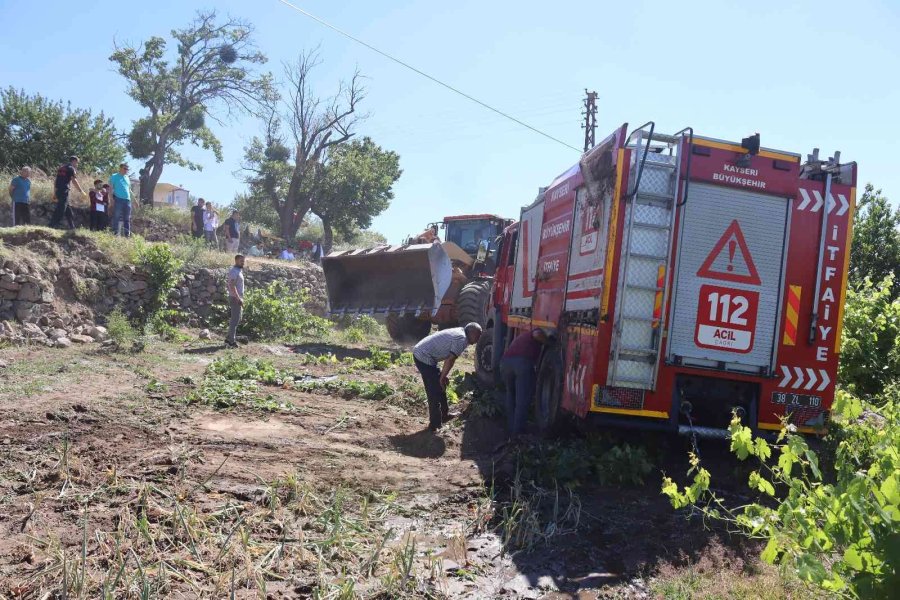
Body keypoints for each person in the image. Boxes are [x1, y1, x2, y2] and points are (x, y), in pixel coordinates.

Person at [413, 323, 482, 431]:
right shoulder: (462, 339)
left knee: (441, 385)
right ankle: (434, 425)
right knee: (434, 390)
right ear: (472, 333)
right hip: (423, 356)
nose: (478, 339)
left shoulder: (461, 332)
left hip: (424, 354)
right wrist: (442, 376)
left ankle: (444, 415)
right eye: (478, 335)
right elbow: (450, 360)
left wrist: (442, 376)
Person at [499, 328, 548, 438]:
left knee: (511, 396)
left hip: (505, 364)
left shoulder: (522, 337)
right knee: (522, 399)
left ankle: (511, 429)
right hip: (522, 363)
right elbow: (537, 333)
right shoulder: (535, 332)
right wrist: (548, 342)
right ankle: (518, 433)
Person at [49, 156, 85, 229]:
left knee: (67, 209)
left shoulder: (61, 168)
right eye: (77, 163)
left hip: (59, 190)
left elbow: (56, 181)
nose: (77, 165)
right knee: (61, 208)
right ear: (74, 161)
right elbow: (74, 181)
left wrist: (55, 192)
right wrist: (81, 191)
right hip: (64, 190)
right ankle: (52, 226)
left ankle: (72, 227)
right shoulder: (71, 168)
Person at [225, 254, 245, 348]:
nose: (243, 262)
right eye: (241, 260)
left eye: (243, 260)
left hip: (237, 297)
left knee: (237, 319)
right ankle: (231, 342)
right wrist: (238, 298)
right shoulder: (234, 271)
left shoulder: (238, 271)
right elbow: (231, 285)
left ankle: (228, 338)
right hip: (235, 298)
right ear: (236, 261)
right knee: (235, 320)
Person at [109, 163, 132, 237]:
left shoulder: (127, 178)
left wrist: (135, 201)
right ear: (120, 168)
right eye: (125, 168)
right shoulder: (114, 176)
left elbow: (129, 190)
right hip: (118, 199)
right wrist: (111, 199)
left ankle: (127, 235)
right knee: (116, 216)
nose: (126, 170)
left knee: (127, 218)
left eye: (127, 169)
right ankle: (115, 234)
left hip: (127, 200)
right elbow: (111, 188)